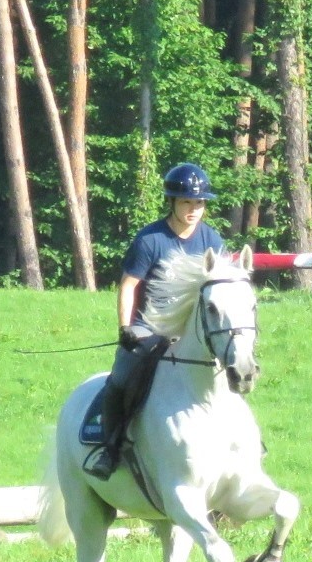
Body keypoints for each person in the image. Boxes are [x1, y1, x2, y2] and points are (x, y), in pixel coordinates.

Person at [84, 162, 226, 479]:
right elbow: (129, 286)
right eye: (187, 202)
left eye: (199, 203)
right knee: (121, 377)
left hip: (192, 329)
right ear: (172, 202)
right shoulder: (150, 240)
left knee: (231, 372)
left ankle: (241, 445)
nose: (193, 209)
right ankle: (110, 448)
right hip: (149, 327)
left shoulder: (212, 241)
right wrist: (126, 328)